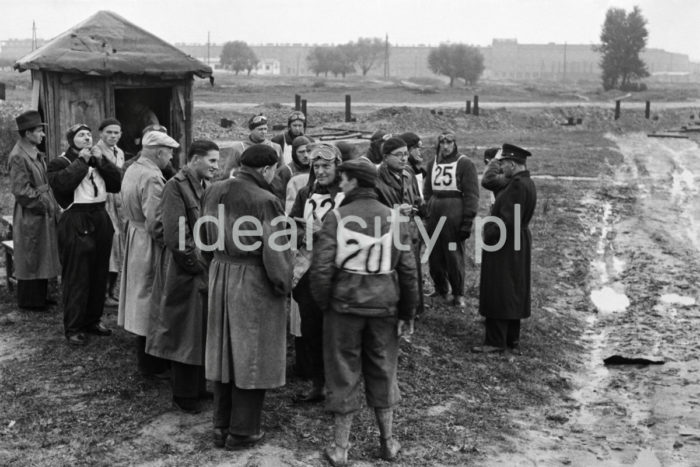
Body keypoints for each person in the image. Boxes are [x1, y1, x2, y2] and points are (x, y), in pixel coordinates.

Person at [310, 158, 418, 466]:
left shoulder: (336, 217)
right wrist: (406, 313)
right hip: (384, 306)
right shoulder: (395, 218)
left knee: (343, 372)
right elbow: (408, 270)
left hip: (343, 309)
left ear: (355, 182)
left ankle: (340, 448)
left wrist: (325, 305)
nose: (339, 184)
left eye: (343, 179)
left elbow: (321, 269)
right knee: (383, 369)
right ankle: (387, 442)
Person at [202, 144, 292, 450]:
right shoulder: (267, 200)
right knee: (251, 354)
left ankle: (220, 427)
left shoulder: (213, 190)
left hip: (219, 273)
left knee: (225, 352)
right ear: (267, 170)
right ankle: (243, 432)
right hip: (253, 280)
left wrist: (215, 265)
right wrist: (285, 284)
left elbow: (203, 238)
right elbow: (277, 254)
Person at [146, 140, 220, 413]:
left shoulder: (202, 186)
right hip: (183, 268)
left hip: (197, 267)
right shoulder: (175, 187)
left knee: (198, 328)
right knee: (183, 331)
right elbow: (176, 236)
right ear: (195, 159)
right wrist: (196, 264)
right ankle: (183, 394)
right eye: (212, 161)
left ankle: (197, 387)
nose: (216, 166)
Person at [47, 123, 122, 346]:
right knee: (77, 275)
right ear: (71, 140)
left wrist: (101, 161)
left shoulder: (97, 159)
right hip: (76, 217)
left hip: (99, 215)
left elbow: (116, 184)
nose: (87, 138)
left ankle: (93, 320)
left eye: (89, 135)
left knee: (99, 272)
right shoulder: (60, 162)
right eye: (81, 135)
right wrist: (82, 161)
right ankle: (74, 326)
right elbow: (63, 185)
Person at [288, 143, 344, 403]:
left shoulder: (346, 195)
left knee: (337, 331)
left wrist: (325, 233)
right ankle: (318, 383)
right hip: (308, 269)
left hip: (338, 269)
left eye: (326, 166)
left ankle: (339, 385)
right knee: (311, 329)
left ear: (337, 167)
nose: (321, 171)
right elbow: (290, 225)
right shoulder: (304, 193)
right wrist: (305, 234)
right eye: (316, 166)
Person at [118, 131, 178, 374]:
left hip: (135, 235)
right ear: (159, 152)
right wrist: (172, 243)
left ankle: (148, 360)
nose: (171, 157)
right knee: (150, 296)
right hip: (148, 241)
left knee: (140, 293)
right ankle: (152, 363)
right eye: (170, 152)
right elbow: (156, 223)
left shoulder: (133, 169)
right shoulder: (153, 177)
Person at [475, 144, 537, 354]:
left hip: (505, 243)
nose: (502, 168)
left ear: (512, 164)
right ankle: (512, 338)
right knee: (513, 288)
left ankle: (495, 341)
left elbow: (507, 219)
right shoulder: (526, 182)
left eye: (502, 164)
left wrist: (489, 232)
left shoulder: (517, 185)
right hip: (516, 241)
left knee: (499, 288)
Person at [8, 110, 61, 310]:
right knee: (31, 253)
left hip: (40, 208)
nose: (43, 134)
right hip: (31, 211)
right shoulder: (18, 156)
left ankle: (39, 297)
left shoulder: (31, 151)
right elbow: (21, 190)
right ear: (27, 133)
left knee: (41, 252)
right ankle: (30, 301)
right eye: (39, 131)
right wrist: (43, 204)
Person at [423, 131, 479, 308]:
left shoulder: (464, 163)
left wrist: (467, 220)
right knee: (434, 254)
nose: (446, 146)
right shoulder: (433, 163)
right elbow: (427, 190)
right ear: (438, 144)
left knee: (453, 254)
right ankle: (441, 289)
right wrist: (429, 208)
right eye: (442, 143)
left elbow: (471, 194)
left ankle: (458, 293)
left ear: (455, 144)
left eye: (449, 142)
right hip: (436, 209)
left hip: (454, 211)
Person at [374, 137, 425, 317]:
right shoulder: (376, 178)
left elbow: (418, 199)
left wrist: (417, 208)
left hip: (410, 231)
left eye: (405, 154)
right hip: (388, 233)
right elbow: (373, 207)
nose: (403, 159)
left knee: (412, 270)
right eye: (398, 155)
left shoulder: (408, 174)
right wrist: (394, 211)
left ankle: (414, 308)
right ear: (386, 157)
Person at [92, 118, 125, 306]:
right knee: (108, 246)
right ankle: (102, 293)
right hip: (103, 201)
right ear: (101, 133)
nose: (112, 136)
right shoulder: (96, 151)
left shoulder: (119, 152)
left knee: (118, 246)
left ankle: (111, 292)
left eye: (116, 133)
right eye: (109, 132)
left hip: (118, 202)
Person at [272, 135, 312, 213]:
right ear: (294, 153)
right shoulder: (285, 171)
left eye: (308, 151)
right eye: (301, 152)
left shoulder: (316, 168)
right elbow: (279, 198)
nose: (306, 155)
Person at [399, 132, 426, 198]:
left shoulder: (413, 168)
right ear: (408, 150)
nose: (419, 153)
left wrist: (417, 169)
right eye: (417, 149)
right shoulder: (404, 171)